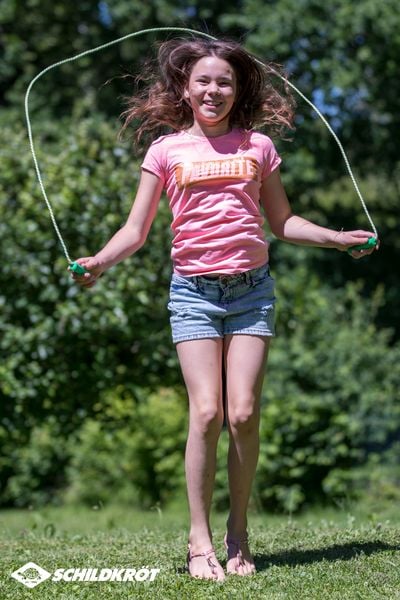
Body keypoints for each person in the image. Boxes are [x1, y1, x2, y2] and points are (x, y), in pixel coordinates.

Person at [70, 37, 377, 580]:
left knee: (243, 413)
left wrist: (334, 236)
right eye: (204, 81)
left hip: (251, 291)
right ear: (185, 89)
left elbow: (281, 222)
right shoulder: (165, 152)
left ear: (238, 90)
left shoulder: (256, 146)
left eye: (225, 82)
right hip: (193, 294)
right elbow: (135, 231)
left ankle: (238, 533)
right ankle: (198, 538)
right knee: (206, 412)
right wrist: (99, 261)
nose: (214, 90)